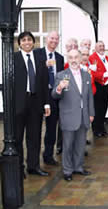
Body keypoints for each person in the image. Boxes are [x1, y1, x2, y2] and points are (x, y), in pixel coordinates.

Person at [52, 49, 95, 181]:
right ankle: (67, 170)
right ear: (68, 59)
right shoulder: (61, 75)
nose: (74, 60)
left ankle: (78, 167)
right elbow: (54, 94)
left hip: (84, 115)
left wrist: (91, 113)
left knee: (80, 144)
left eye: (76, 57)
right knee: (68, 145)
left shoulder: (86, 75)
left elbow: (89, 97)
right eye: (71, 57)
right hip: (69, 116)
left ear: (80, 58)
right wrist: (59, 88)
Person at [14, 31, 51, 177]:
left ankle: (33, 166)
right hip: (19, 103)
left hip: (36, 102)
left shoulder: (39, 58)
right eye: (23, 40)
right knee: (17, 137)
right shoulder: (13, 58)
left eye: (29, 40)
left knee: (34, 137)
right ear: (19, 43)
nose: (27, 42)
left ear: (33, 42)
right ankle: (18, 168)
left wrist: (46, 104)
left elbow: (44, 82)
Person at [35, 31, 64, 166]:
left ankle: (48, 155)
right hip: (38, 95)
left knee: (52, 127)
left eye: (56, 39)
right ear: (47, 39)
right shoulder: (37, 54)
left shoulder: (60, 58)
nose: (54, 41)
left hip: (53, 95)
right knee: (34, 128)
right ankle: (33, 159)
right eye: (52, 38)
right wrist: (43, 65)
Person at [89, 41, 108, 138]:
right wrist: (102, 75)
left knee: (104, 108)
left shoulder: (107, 58)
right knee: (97, 109)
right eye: (99, 46)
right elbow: (91, 73)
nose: (102, 48)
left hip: (106, 86)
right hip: (98, 85)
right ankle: (96, 130)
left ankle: (102, 128)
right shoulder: (92, 58)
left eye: (103, 46)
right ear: (95, 48)